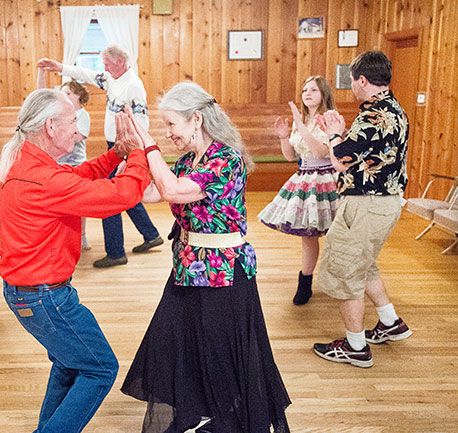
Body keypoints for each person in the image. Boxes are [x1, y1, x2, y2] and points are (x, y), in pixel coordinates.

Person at [119, 82, 291, 433]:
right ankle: (189, 409)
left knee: (218, 350)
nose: (168, 134)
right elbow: (153, 192)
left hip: (225, 271)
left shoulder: (226, 159)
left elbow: (173, 190)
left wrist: (148, 145)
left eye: (171, 124)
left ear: (196, 119)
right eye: (164, 126)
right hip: (188, 266)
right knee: (177, 342)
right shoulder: (187, 160)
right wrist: (132, 155)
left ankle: (228, 420)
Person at [0, 88, 151, 432]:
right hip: (44, 297)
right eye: (73, 123)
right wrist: (139, 155)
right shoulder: (41, 177)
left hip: (32, 294)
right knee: (100, 368)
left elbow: (73, 179)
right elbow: (121, 195)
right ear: (50, 126)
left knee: (70, 364)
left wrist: (115, 157)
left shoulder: (28, 163)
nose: (79, 132)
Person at [313, 51, 412, 368]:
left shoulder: (372, 117)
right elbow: (361, 154)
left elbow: (341, 160)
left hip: (366, 205)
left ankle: (355, 346)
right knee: (365, 265)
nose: (353, 87)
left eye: (353, 81)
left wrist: (332, 132)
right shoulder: (395, 110)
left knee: (346, 271)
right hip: (386, 204)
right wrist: (341, 133)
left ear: (363, 80)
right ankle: (390, 322)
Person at [38, 45, 163, 268]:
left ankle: (115, 252)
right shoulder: (111, 78)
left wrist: (134, 152)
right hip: (115, 145)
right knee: (125, 193)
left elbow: (142, 119)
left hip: (125, 145)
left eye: (107, 64)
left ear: (121, 63)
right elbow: (86, 74)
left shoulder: (133, 86)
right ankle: (151, 234)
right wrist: (60, 67)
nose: (104, 68)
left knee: (110, 196)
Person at [258, 76, 339, 305]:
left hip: (327, 178)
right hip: (305, 178)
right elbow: (291, 156)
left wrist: (301, 126)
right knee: (308, 234)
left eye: (313, 89)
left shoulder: (330, 118)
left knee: (335, 234)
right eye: (304, 90)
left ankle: (341, 278)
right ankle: (305, 282)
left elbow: (322, 151)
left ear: (323, 93)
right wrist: (284, 136)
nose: (307, 93)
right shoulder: (301, 118)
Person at [37, 66, 92, 250]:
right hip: (57, 164)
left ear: (79, 96)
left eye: (68, 92)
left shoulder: (83, 116)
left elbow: (76, 138)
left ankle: (81, 235)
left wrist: (54, 134)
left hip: (76, 165)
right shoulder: (57, 114)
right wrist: (41, 73)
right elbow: (41, 95)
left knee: (80, 204)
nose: (64, 96)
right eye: (62, 93)